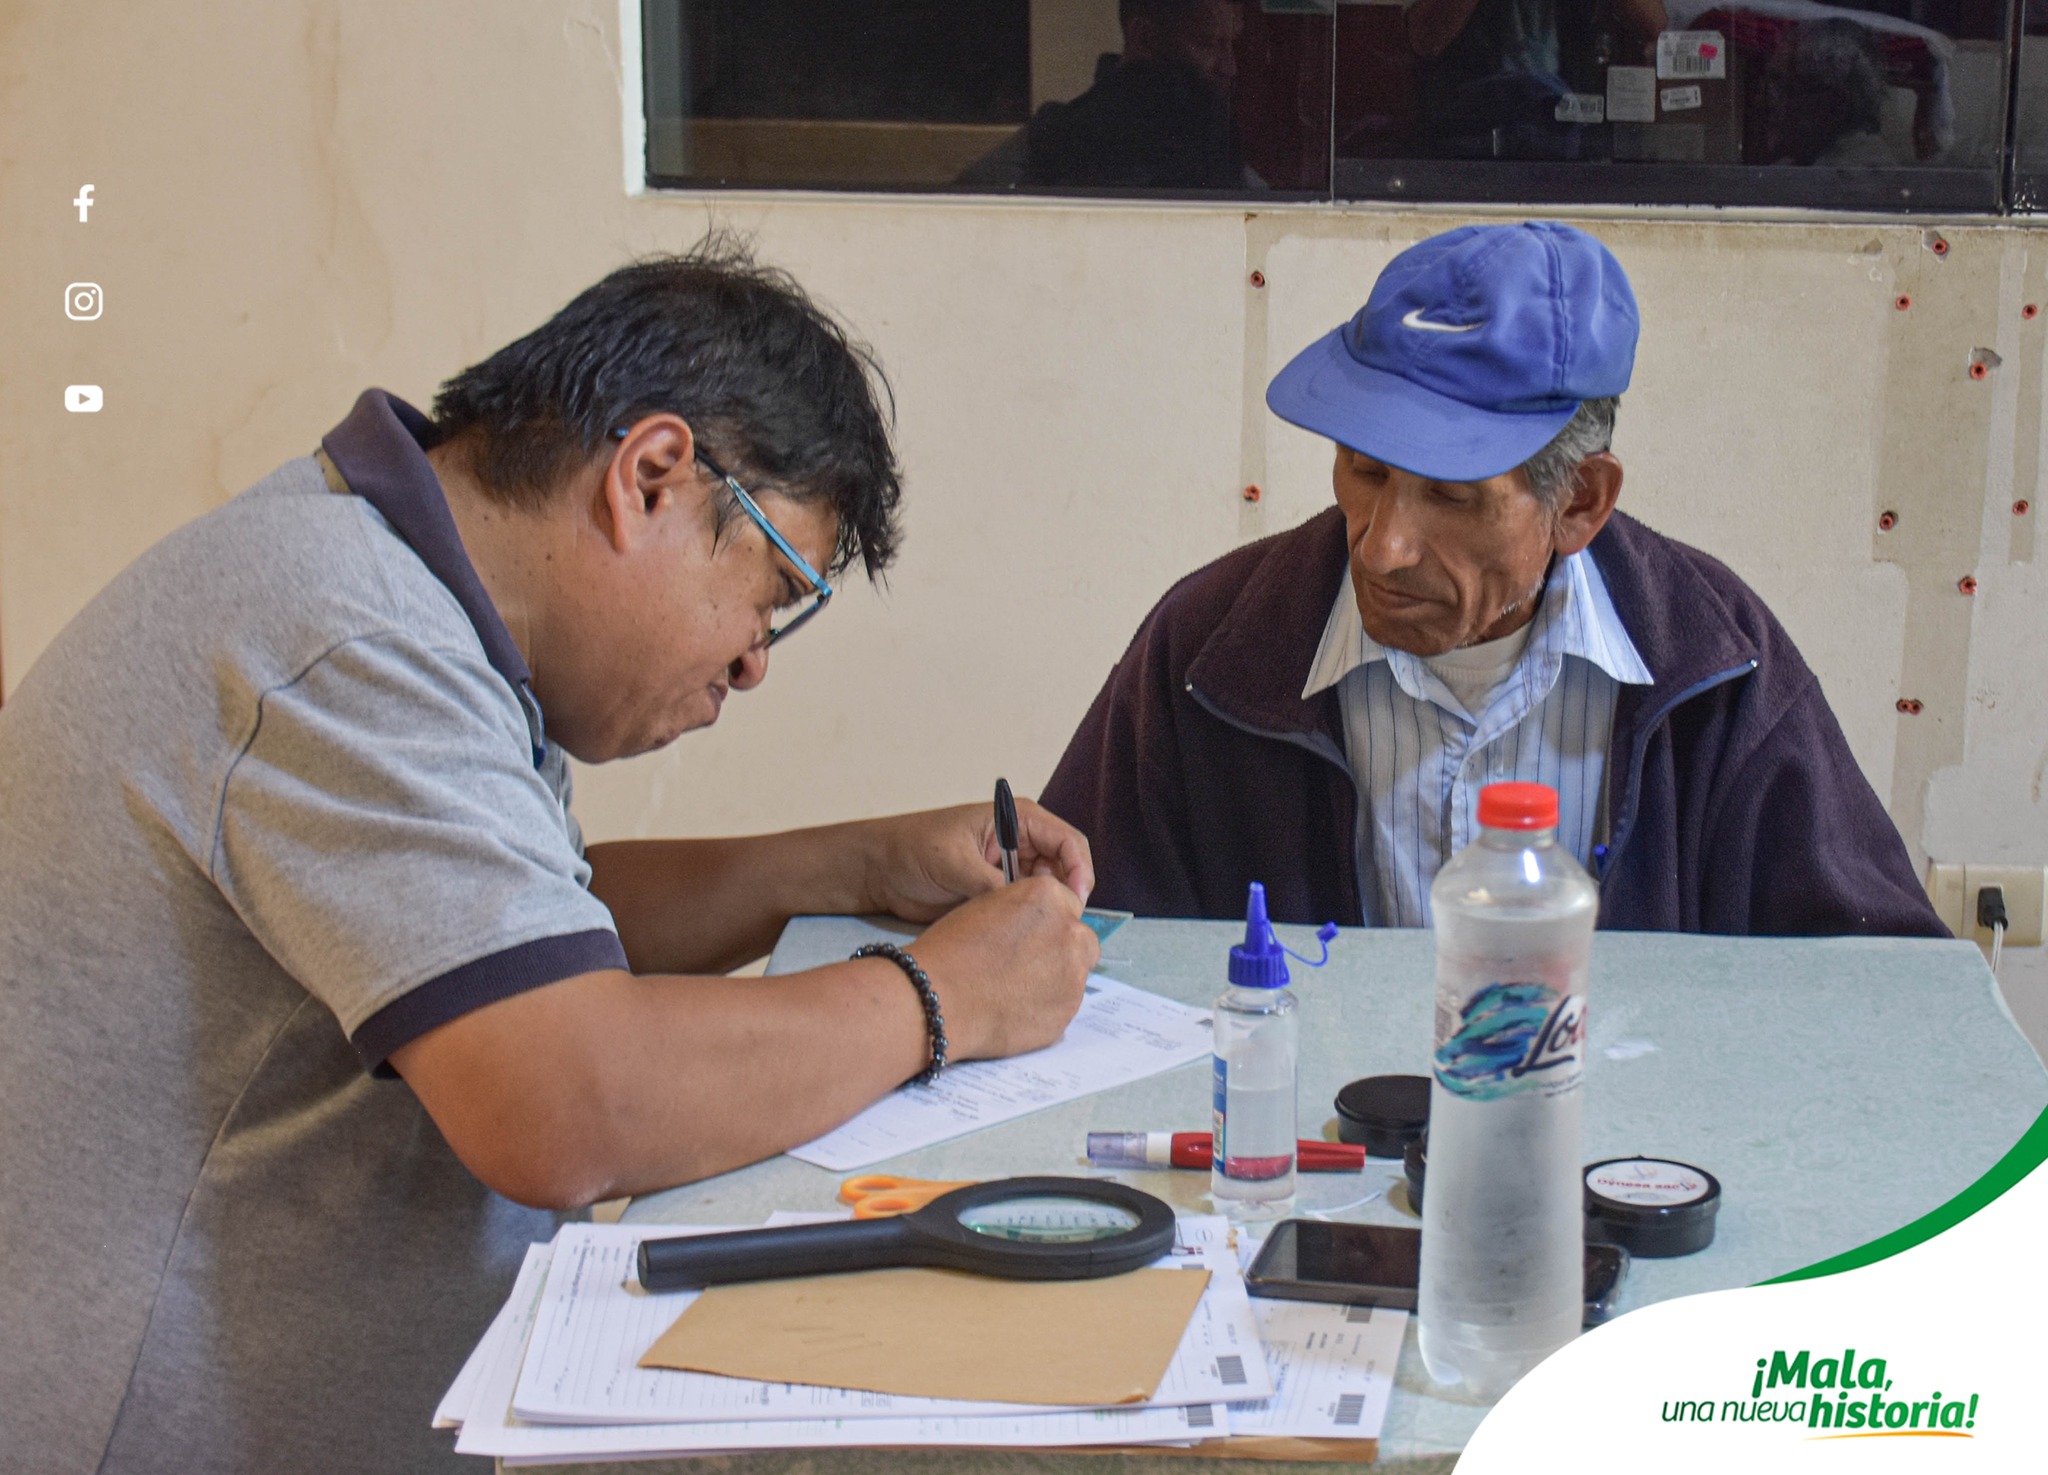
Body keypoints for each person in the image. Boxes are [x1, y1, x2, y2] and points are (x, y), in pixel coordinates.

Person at [0, 241, 1100, 1475]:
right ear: (651, 477)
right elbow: (566, 1100)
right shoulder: (342, 637)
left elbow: (531, 939)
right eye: (769, 593)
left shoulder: (398, 590)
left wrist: (855, 864)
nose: (752, 661)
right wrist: (946, 997)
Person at [1042, 221, 1946, 939]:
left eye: (1451, 496)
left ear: (1581, 504)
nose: (1385, 546)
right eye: (1364, 469)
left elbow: (1879, 995)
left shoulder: (1716, 667)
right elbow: (1082, 952)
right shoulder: (1208, 652)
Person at [956, 0, 1253, 191]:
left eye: (1230, 45)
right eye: (1207, 43)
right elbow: (969, 205)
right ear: (1144, 36)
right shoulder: (1058, 132)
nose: (1230, 67)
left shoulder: (1214, 136)